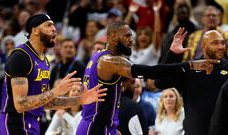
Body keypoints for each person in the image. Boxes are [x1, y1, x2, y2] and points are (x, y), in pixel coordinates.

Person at [75, 21, 218, 135]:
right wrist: (191, 64)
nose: (131, 40)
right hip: (94, 128)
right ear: (113, 37)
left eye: (131, 36)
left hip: (101, 126)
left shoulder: (98, 57)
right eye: (127, 36)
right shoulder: (109, 61)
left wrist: (112, 128)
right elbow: (151, 72)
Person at [0, 14, 107, 135]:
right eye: (48, 25)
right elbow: (20, 104)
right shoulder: (21, 56)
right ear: (35, 30)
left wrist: (79, 100)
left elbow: (46, 102)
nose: (54, 29)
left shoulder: (44, 61)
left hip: (33, 122)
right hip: (15, 123)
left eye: (54, 25)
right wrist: (57, 90)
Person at [155, 28, 228, 135]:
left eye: (222, 43)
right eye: (215, 43)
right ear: (203, 46)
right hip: (195, 131)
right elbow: (160, 82)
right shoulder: (190, 67)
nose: (221, 47)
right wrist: (172, 54)